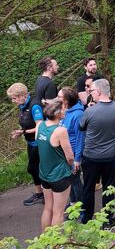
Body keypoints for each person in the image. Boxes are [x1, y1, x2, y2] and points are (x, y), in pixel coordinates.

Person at [79, 79, 115, 225]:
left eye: (91, 91)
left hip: (91, 156)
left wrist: (90, 108)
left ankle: (86, 218)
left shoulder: (90, 111)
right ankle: (108, 219)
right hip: (110, 156)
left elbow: (81, 127)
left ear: (97, 92)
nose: (90, 93)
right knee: (109, 188)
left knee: (88, 188)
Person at [36, 99, 74, 231]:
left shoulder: (40, 124)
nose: (66, 110)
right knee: (58, 212)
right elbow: (70, 156)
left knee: (48, 208)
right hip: (59, 175)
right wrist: (72, 166)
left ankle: (45, 245)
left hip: (44, 174)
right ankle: (56, 248)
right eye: (64, 109)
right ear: (58, 114)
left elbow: (39, 143)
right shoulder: (60, 131)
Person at [7, 83, 45, 206]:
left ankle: (42, 194)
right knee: (34, 168)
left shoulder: (35, 106)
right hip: (30, 142)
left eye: (14, 98)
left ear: (22, 95)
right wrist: (20, 132)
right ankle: (41, 193)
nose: (13, 101)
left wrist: (23, 131)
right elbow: (26, 122)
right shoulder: (22, 105)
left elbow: (40, 126)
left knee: (34, 168)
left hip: (38, 142)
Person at [58, 87, 85, 206]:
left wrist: (77, 159)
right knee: (69, 180)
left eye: (59, 97)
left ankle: (81, 206)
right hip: (64, 152)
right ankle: (73, 202)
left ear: (66, 100)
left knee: (75, 181)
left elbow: (80, 138)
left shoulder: (78, 114)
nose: (57, 99)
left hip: (73, 153)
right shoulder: (65, 110)